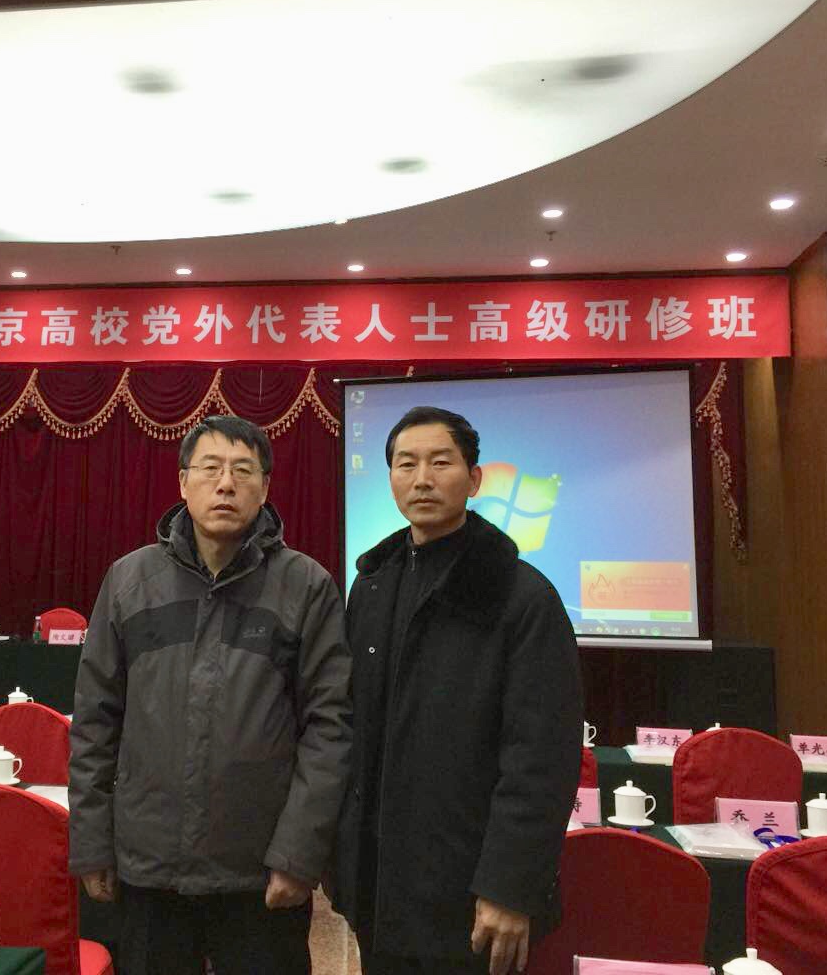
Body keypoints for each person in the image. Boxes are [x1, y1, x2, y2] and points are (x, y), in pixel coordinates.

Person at [69, 415, 351, 975]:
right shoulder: (129, 582)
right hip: (148, 868)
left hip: (259, 871)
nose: (225, 484)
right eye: (211, 468)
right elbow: (95, 721)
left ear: (265, 488)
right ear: (182, 481)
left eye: (243, 471)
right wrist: (92, 842)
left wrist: (299, 854)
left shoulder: (306, 587)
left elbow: (330, 729)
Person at [330, 405, 582, 975]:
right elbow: (352, 729)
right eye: (406, 464)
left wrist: (510, 886)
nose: (422, 478)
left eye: (440, 462)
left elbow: (541, 757)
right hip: (381, 890)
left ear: (473, 479)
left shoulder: (520, 596)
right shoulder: (372, 585)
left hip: (471, 895)